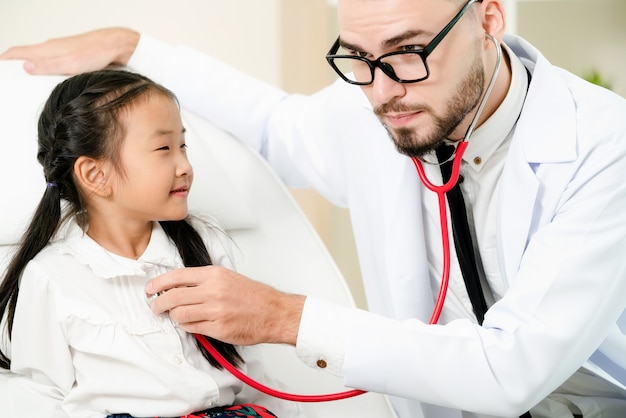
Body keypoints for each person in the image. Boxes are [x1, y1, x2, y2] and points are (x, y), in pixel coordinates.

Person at [2, 0, 626, 416]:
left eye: (410, 52)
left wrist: (283, 316)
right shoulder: (376, 102)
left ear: (488, 19)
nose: (382, 92)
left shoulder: (603, 146)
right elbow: (274, 127)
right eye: (358, 57)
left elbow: (513, 368)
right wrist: (133, 46)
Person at [0, 69, 300, 418]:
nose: (185, 166)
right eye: (163, 148)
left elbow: (250, 372)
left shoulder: (205, 244)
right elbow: (38, 399)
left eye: (183, 145)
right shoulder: (51, 277)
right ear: (96, 175)